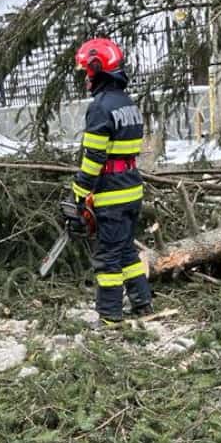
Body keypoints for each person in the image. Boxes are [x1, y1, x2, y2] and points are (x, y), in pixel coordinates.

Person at [72, 37, 152, 326]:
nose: (86, 78)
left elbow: (93, 157)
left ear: (98, 68)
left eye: (86, 71)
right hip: (131, 189)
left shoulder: (100, 107)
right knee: (127, 250)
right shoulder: (128, 103)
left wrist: (79, 194)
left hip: (112, 195)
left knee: (107, 258)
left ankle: (109, 315)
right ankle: (142, 302)